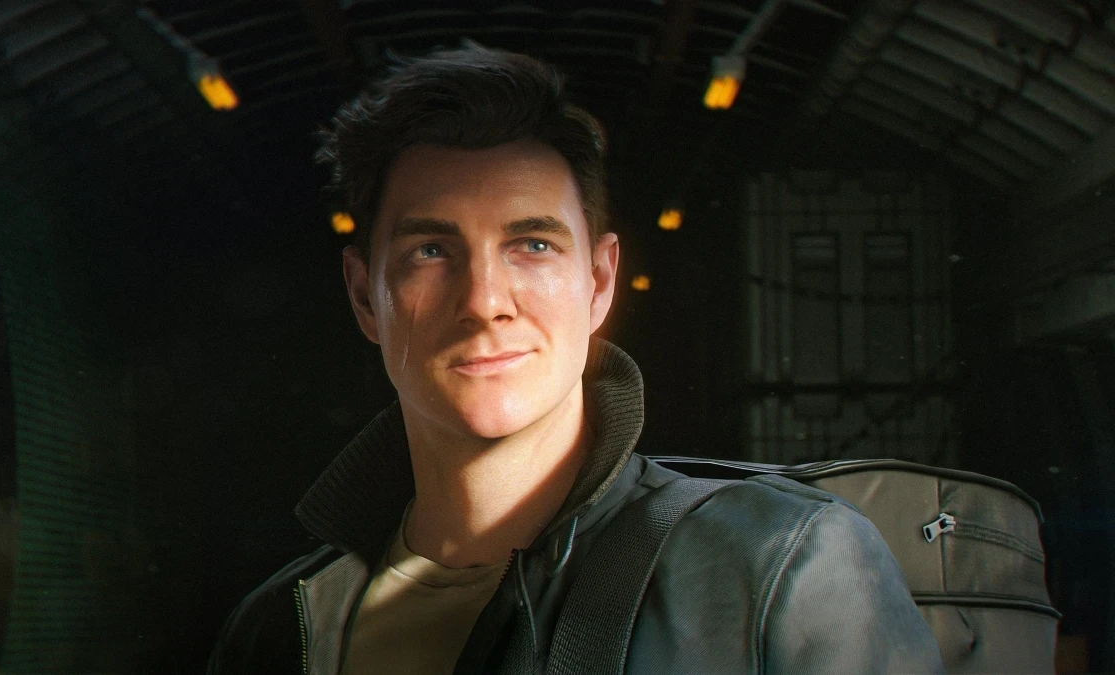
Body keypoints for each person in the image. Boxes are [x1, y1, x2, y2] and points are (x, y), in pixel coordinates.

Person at [206, 42, 944, 674]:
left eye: (532, 245)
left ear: (598, 283)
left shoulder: (778, 569)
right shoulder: (280, 628)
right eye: (431, 250)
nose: (484, 301)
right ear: (365, 296)